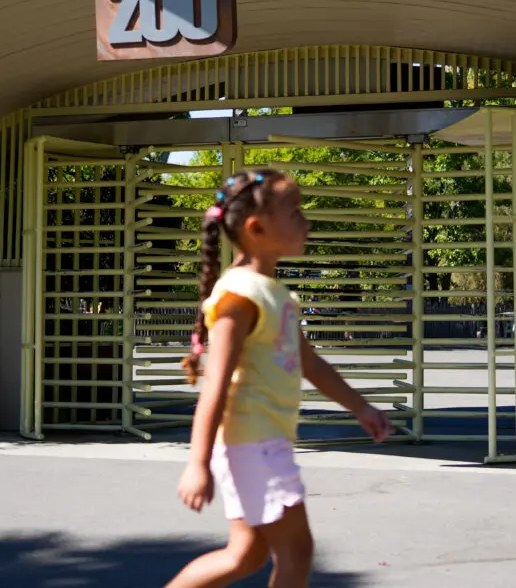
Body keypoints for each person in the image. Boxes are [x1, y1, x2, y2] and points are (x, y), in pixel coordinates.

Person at [166, 170, 392, 588]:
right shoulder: (239, 298)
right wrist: (197, 463)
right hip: (252, 447)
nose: (306, 222)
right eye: (295, 212)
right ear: (258, 228)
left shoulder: (274, 294)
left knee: (246, 555)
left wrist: (360, 406)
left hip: (261, 443)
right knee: (297, 551)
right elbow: (214, 385)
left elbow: (311, 363)